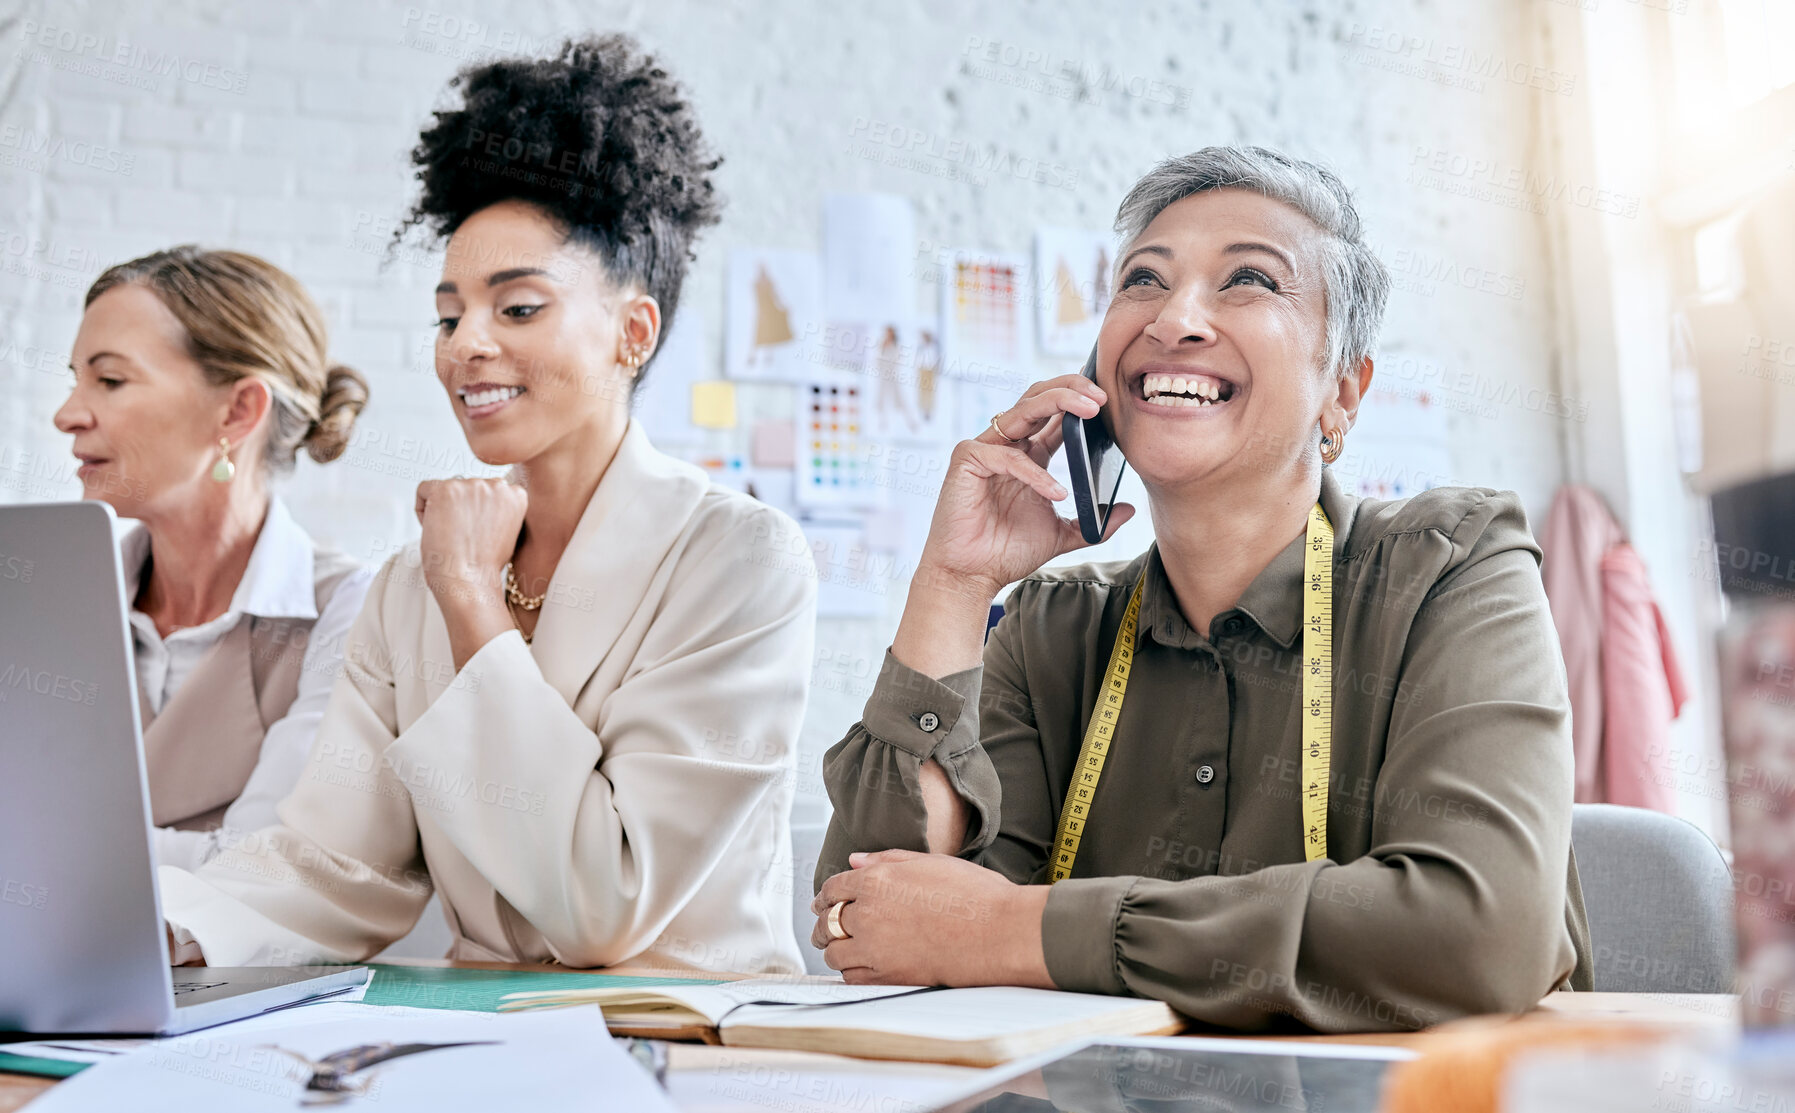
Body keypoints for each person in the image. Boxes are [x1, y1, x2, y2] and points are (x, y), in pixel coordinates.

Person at [811, 146, 1593, 1032]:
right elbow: (878, 915)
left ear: (1342, 391)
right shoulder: (1049, 631)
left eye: (1247, 280)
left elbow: (1475, 935)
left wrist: (1015, 927)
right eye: (1142, 280)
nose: (1174, 317)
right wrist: (953, 583)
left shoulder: (1449, 566)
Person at [158, 34, 816, 974]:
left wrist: (471, 601)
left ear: (632, 332)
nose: (465, 343)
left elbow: (604, 903)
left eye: (516, 309)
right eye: (448, 313)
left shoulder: (738, 560)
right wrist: (174, 928)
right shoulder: (405, 587)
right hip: (483, 1048)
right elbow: (335, 863)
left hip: (689, 1054)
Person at [55, 247, 372, 874]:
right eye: (75, 378)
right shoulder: (51, 602)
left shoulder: (351, 612)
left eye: (110, 380)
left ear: (237, 412)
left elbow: (267, 871)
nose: (67, 415)